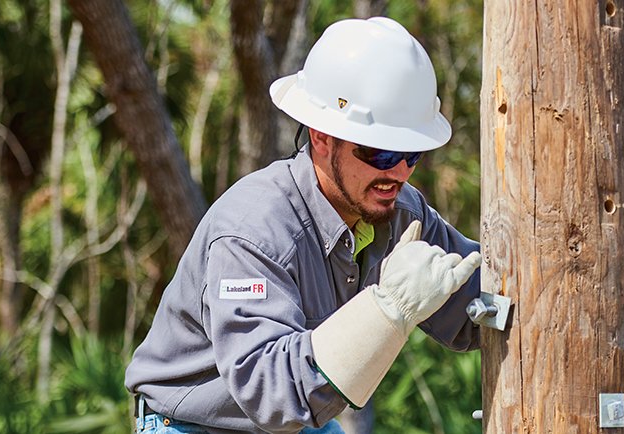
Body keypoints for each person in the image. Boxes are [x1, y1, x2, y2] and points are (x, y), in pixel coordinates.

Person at [125, 16, 483, 434]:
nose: (399, 173)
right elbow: (274, 395)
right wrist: (390, 309)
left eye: (412, 155)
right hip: (194, 424)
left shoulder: (400, 212)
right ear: (321, 137)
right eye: (380, 154)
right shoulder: (253, 232)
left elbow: (478, 305)